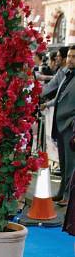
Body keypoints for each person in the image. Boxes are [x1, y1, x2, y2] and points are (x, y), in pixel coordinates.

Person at [51, 45, 75, 207]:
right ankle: (61, 192)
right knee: (63, 163)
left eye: (73, 57)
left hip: (70, 125)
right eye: (70, 56)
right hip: (59, 125)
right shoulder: (67, 75)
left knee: (71, 164)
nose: (69, 60)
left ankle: (68, 195)